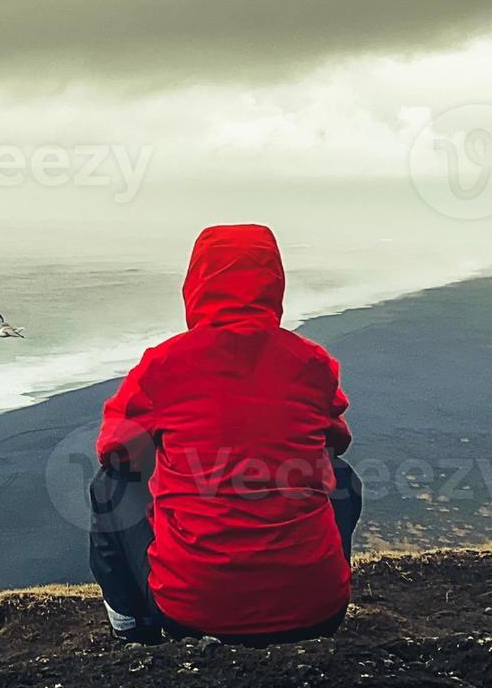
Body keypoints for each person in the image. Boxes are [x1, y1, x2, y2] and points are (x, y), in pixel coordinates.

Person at [88, 224, 361, 645]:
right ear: (275, 283)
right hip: (319, 615)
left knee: (112, 485)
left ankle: (131, 628)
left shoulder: (163, 366)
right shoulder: (312, 363)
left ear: (195, 283)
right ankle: (318, 583)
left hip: (190, 615)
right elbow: (334, 441)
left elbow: (115, 450)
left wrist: (174, 461)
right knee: (341, 477)